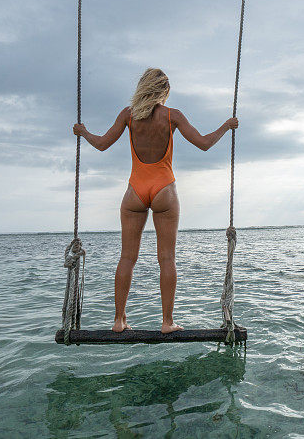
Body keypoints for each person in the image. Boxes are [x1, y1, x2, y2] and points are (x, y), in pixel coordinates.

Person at [73, 68, 238, 333]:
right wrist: (226, 126)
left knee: (127, 257)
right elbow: (205, 143)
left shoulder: (128, 115)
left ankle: (119, 320)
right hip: (164, 190)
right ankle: (167, 322)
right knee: (167, 259)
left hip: (135, 191)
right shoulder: (173, 116)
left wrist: (83, 132)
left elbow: (102, 144)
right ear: (163, 91)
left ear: (142, 87)